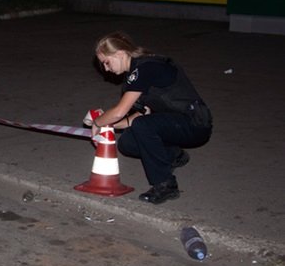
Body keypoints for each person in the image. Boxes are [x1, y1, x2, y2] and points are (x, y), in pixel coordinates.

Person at [90, 31, 212, 204]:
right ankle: (174, 155)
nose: (106, 69)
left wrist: (98, 122)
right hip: (173, 123)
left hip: (195, 124)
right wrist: (108, 126)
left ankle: (165, 185)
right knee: (127, 143)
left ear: (120, 53)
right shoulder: (134, 74)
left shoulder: (145, 68)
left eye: (106, 62)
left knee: (143, 126)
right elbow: (142, 113)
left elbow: (119, 112)